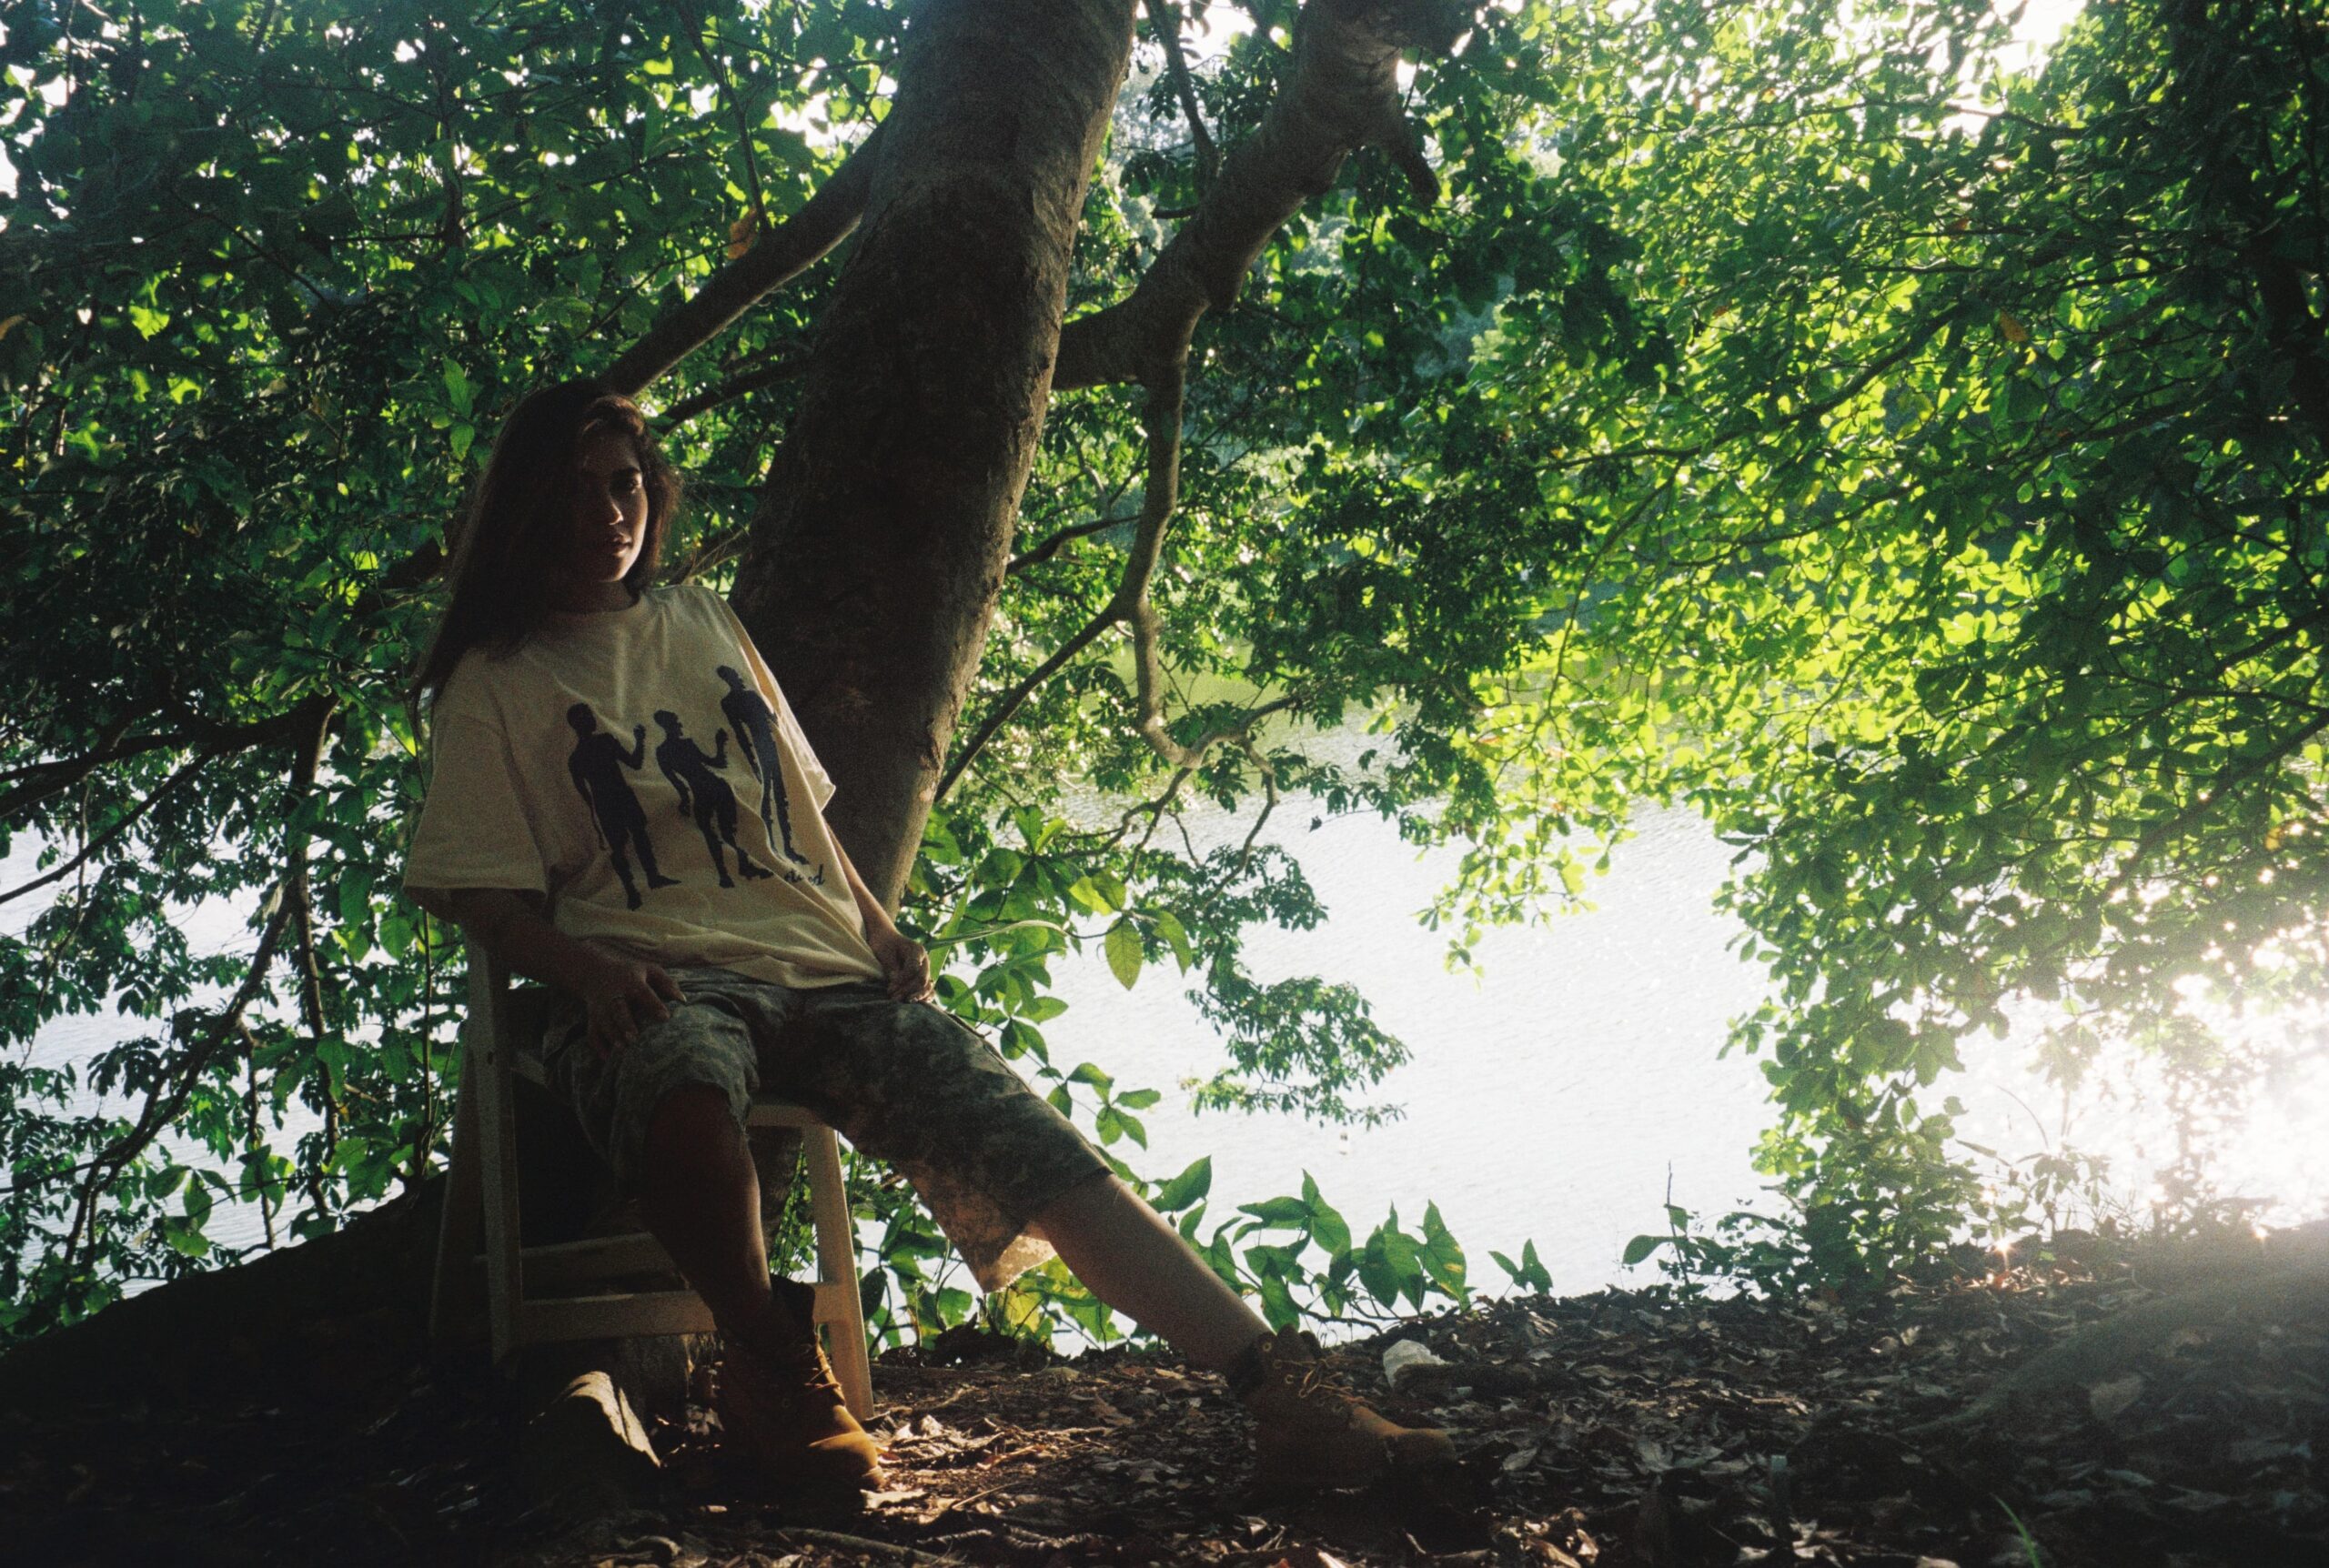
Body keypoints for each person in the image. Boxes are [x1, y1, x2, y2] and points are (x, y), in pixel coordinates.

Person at [401, 379, 1455, 1497]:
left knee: (1024, 1137)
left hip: (827, 975)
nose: (610, 513)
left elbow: (794, 812)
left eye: (625, 484)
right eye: (577, 490)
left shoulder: (701, 621)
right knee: (683, 1083)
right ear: (527, 505)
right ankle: (771, 1366)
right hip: (663, 981)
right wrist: (591, 973)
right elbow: (482, 898)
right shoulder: (498, 678)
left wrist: (876, 920)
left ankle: (1286, 1395)